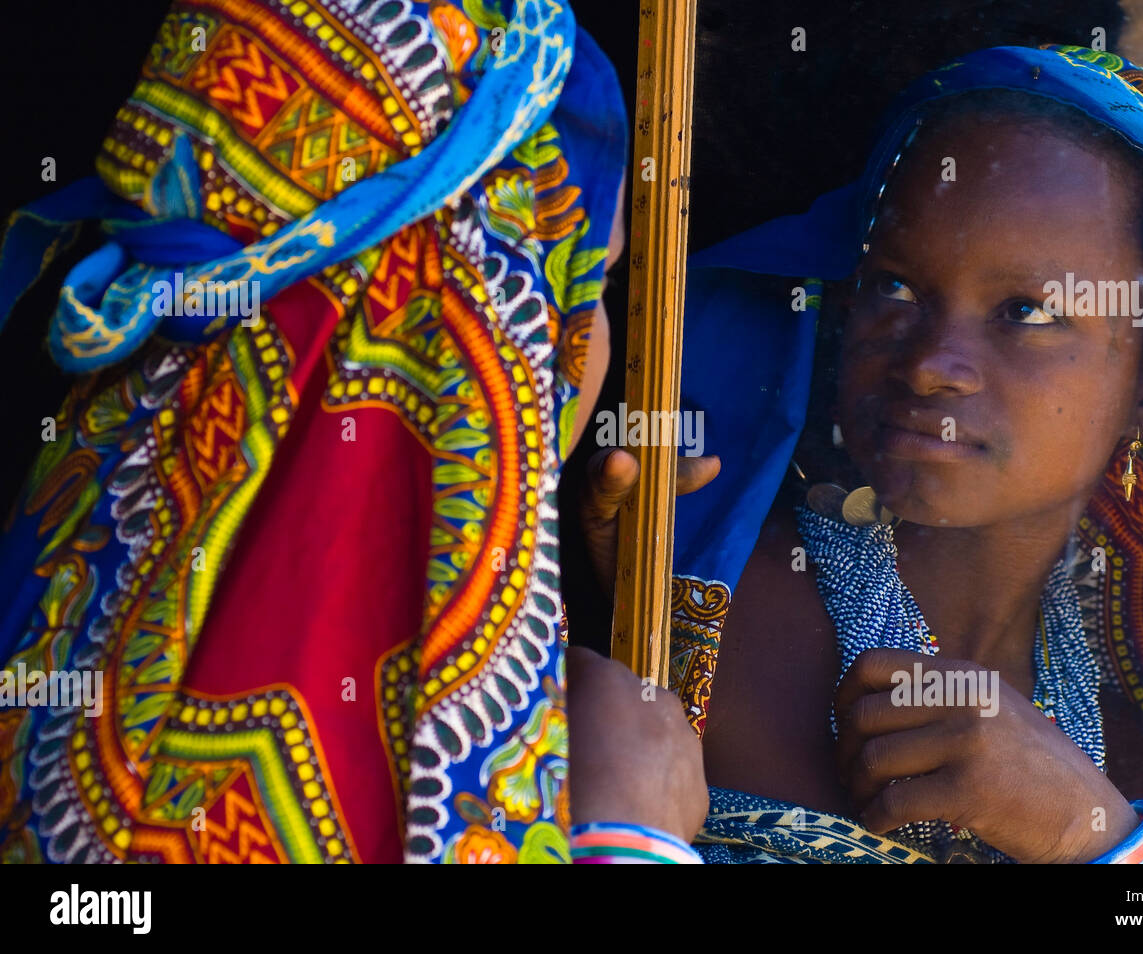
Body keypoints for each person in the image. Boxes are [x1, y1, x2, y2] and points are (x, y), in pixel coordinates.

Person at [0, 0, 706, 865]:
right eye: (591, 285)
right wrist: (633, 831)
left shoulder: (68, 580)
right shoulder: (361, 762)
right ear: (497, 317)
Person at [584, 44, 1143, 863]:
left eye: (1026, 312)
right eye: (895, 286)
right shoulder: (713, 611)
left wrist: (1091, 832)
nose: (932, 364)